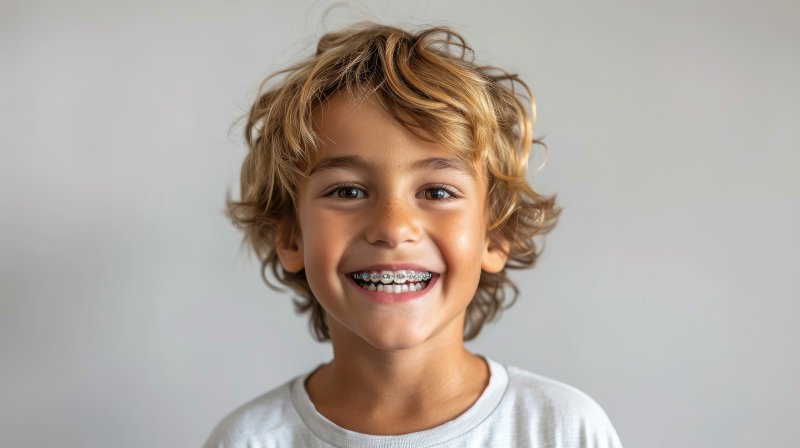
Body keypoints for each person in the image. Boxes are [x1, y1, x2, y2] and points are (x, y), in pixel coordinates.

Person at [204, 21, 623, 447]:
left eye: (437, 192)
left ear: (494, 237)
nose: (393, 228)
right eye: (348, 191)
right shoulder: (249, 440)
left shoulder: (562, 430)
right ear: (291, 237)